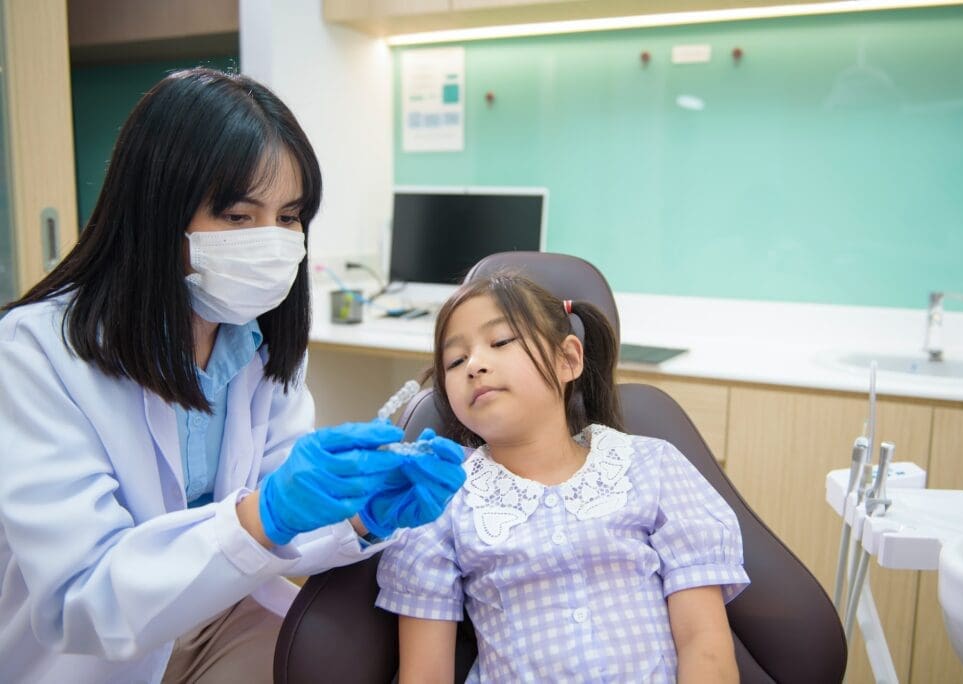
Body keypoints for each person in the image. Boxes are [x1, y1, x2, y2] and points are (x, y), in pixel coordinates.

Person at [0, 67, 464, 684]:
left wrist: (363, 513)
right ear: (156, 212)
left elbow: (283, 515)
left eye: (290, 217)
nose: (272, 243)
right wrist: (262, 514)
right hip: (87, 655)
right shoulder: (35, 353)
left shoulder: (261, 345)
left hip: (216, 610)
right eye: (241, 216)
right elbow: (85, 597)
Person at [375, 271, 750, 682]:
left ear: (568, 359)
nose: (475, 365)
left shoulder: (652, 467)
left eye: (500, 342)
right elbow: (425, 676)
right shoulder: (441, 498)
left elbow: (704, 644)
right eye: (456, 360)